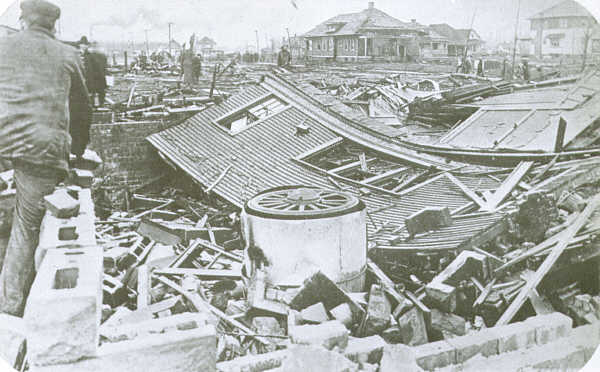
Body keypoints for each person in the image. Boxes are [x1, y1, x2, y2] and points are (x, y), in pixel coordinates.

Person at [0, 0, 91, 316]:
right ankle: (8, 311)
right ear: (53, 26)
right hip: (41, 151)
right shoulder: (68, 54)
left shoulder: (3, 46)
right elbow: (82, 111)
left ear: (24, 20)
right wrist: (77, 151)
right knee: (25, 230)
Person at [82, 41, 108, 107]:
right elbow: (105, 67)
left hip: (92, 77)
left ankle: (92, 106)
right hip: (101, 76)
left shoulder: (88, 55)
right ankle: (101, 105)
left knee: (91, 92)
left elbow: (88, 68)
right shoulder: (103, 55)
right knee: (101, 92)